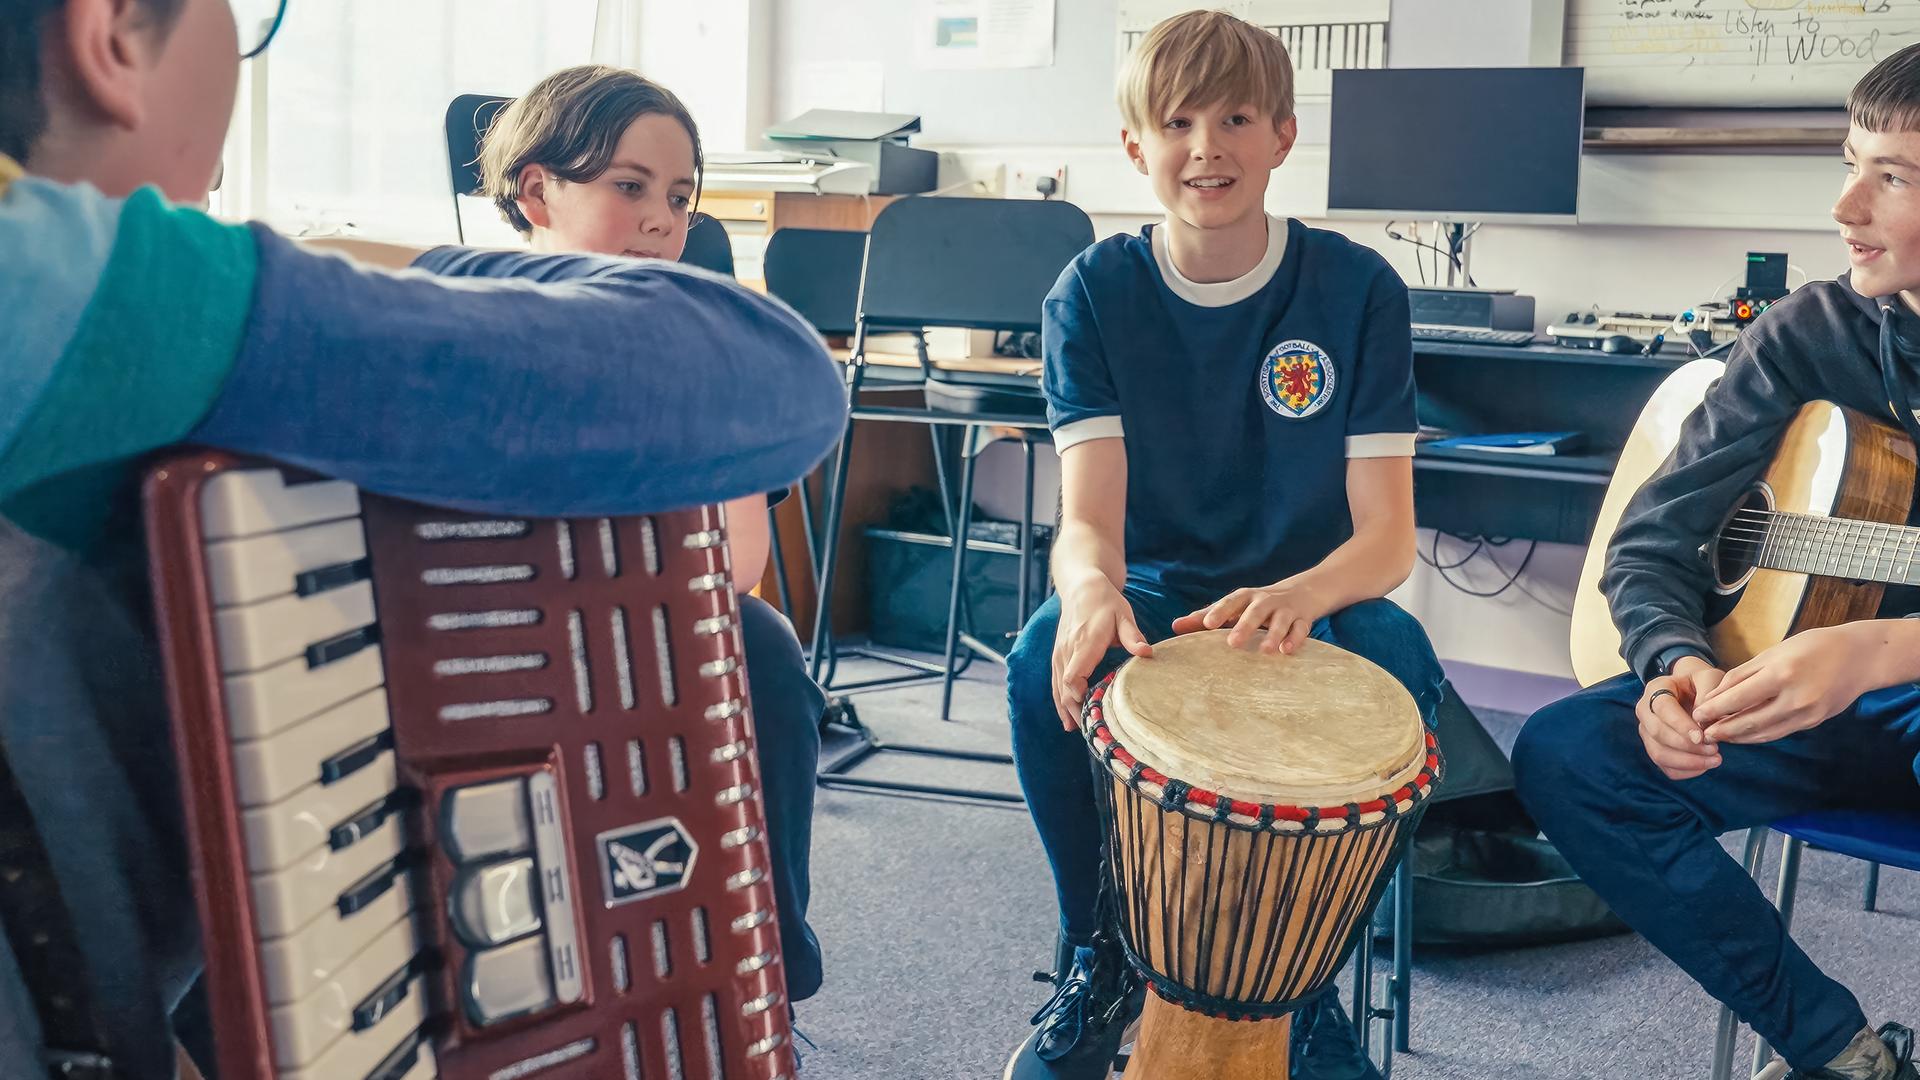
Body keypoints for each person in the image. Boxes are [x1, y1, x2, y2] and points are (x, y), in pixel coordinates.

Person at [0, 1, 843, 1075]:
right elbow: (775, 377)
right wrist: (360, 263)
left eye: (676, 197)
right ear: (112, 34)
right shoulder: (86, 286)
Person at [1000, 11, 1444, 1080]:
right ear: (1135, 147)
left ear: (1284, 134)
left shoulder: (1357, 288)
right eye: (1178, 123)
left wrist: (1304, 592)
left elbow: (1386, 538)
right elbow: (1088, 522)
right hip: (1158, 586)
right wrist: (1091, 587)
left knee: (1403, 664)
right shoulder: (1092, 292)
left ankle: (1307, 985)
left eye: (1236, 119)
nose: (1207, 148)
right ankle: (1101, 958)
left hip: (1315, 592)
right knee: (1039, 659)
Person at [1512, 43, 1920, 1080]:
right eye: (1849, 162)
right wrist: (1673, 666)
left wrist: (1877, 651)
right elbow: (1654, 537)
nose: (1845, 207)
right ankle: (1839, 1052)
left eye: (1893, 176)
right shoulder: (1809, 333)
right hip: (1797, 710)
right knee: (1569, 752)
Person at [471, 62, 825, 1005]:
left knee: (762, 646)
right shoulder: (473, 332)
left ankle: (766, 953)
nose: (663, 220)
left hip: (651, 609)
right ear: (536, 192)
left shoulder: (699, 349)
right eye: (629, 187)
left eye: (678, 197)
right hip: (503, 619)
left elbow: (740, 559)